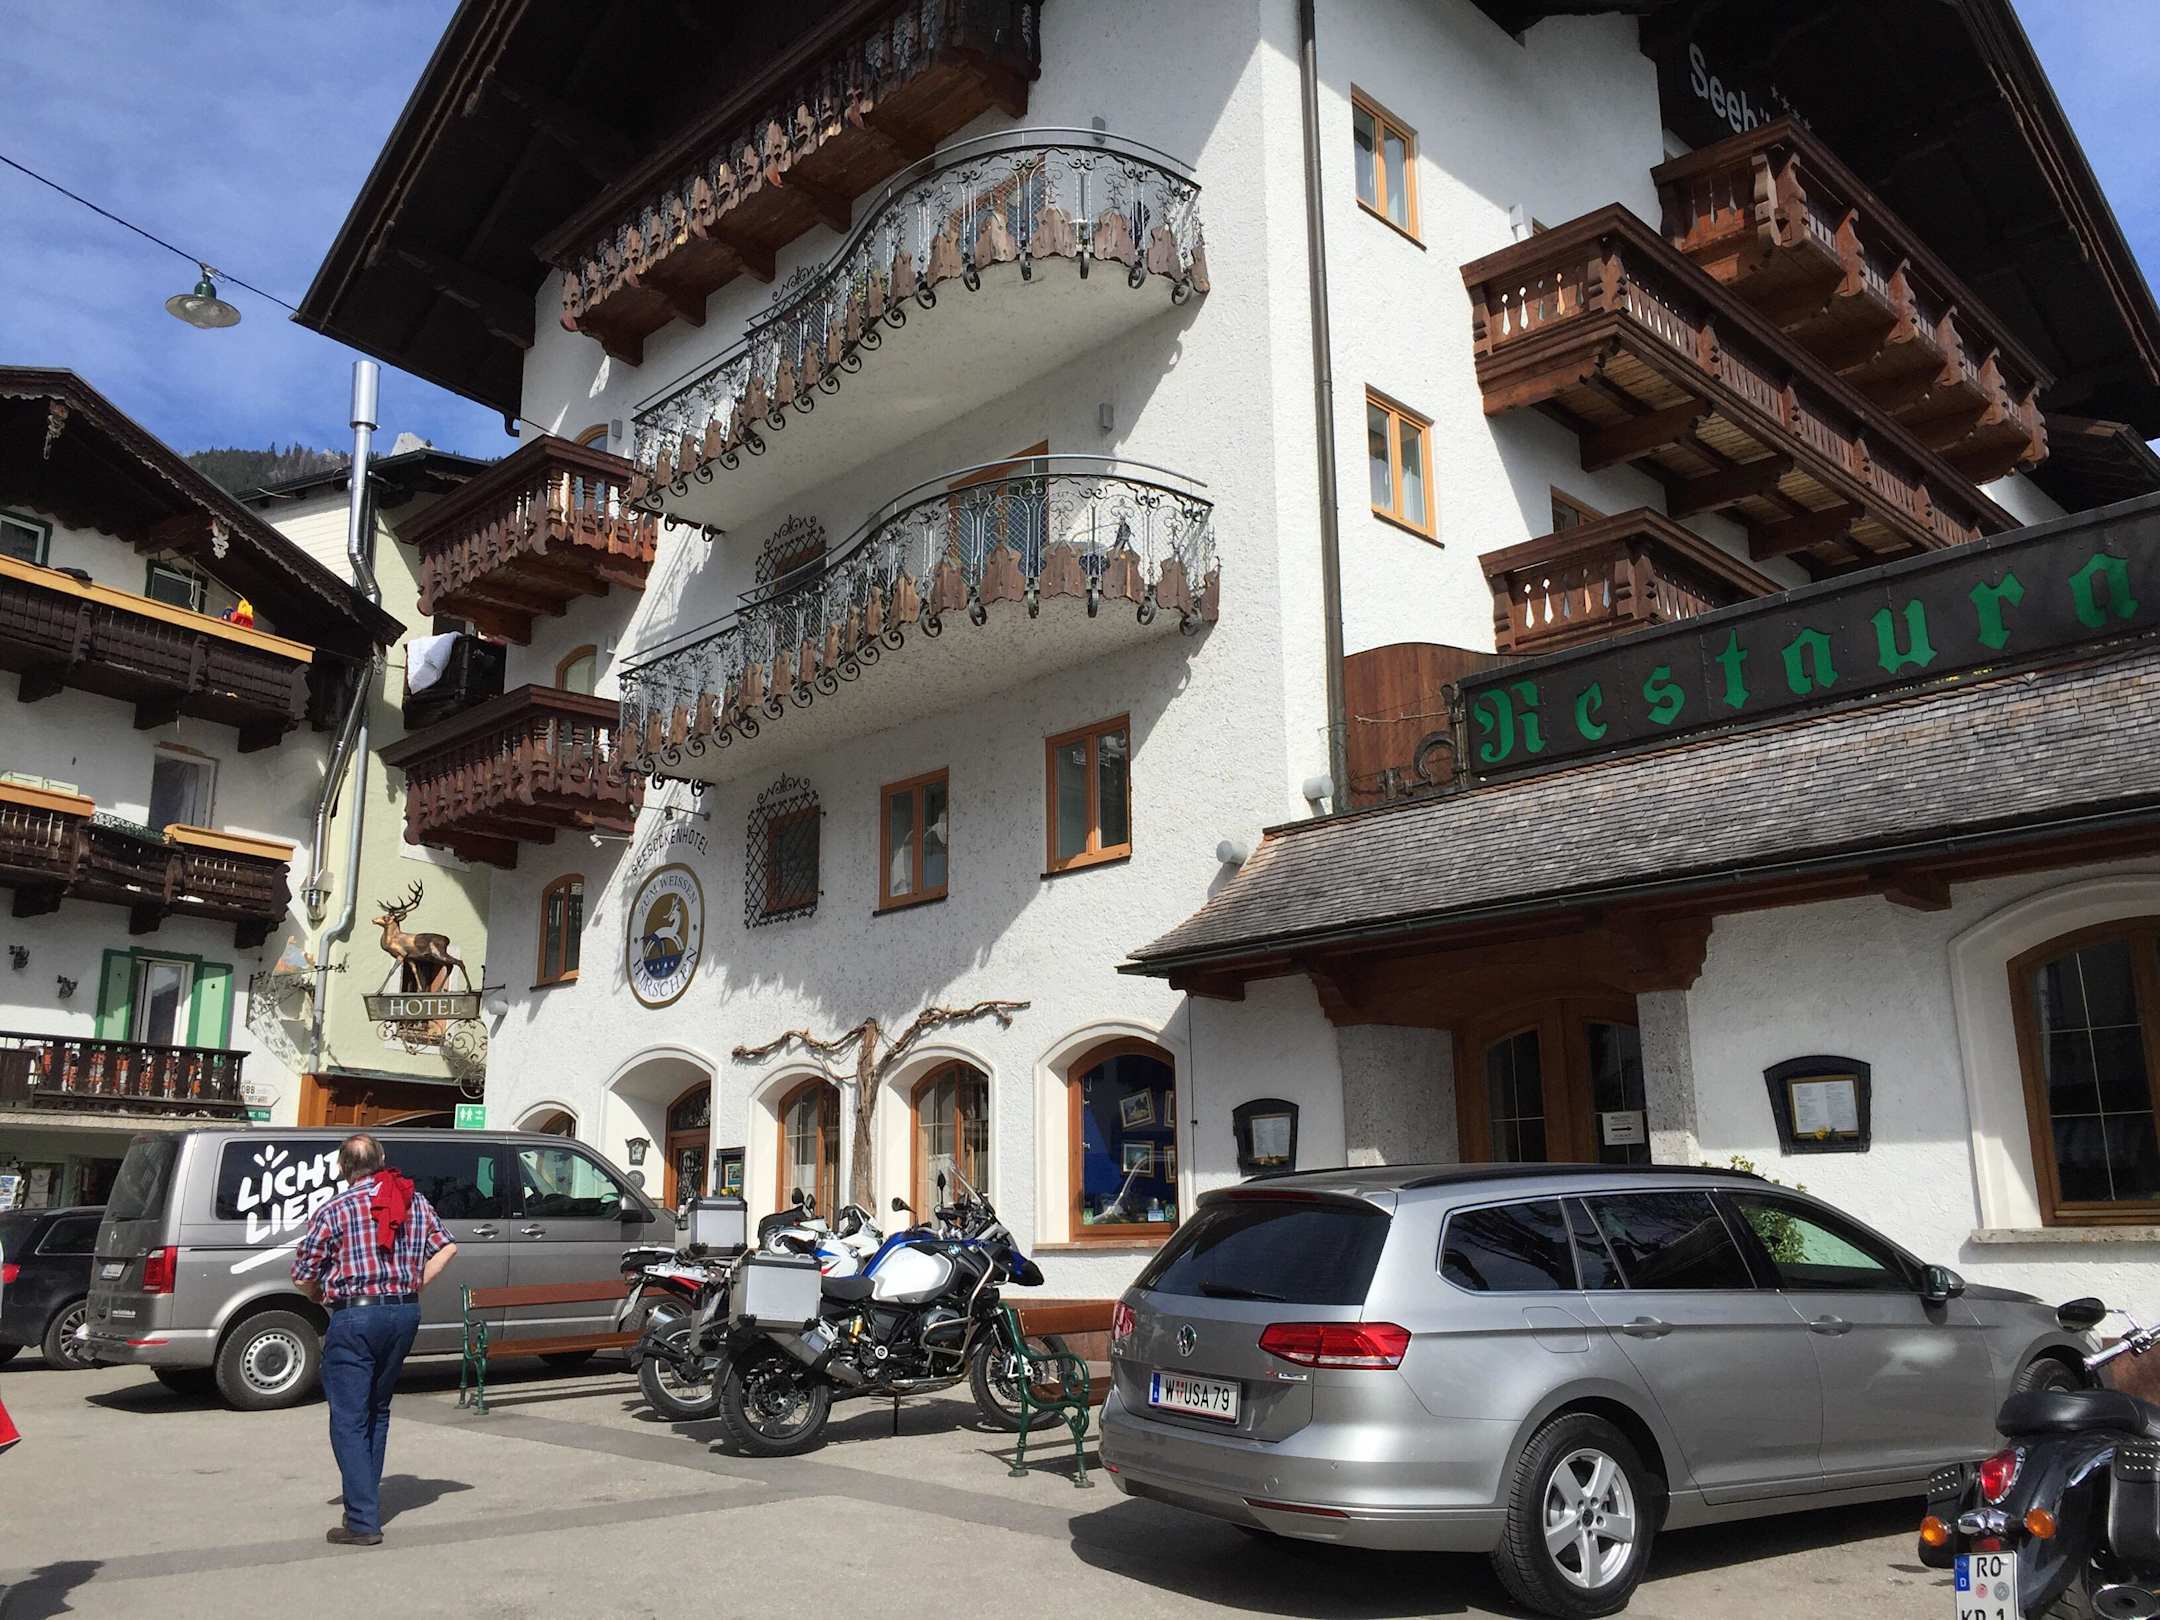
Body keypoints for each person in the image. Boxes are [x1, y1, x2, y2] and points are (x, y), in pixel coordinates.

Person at [291, 1133, 457, 1547]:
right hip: (404, 1313)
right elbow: (447, 1249)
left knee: (349, 1417)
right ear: (382, 1159)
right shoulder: (413, 1202)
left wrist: (319, 1294)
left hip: (356, 1316)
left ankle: (363, 1520)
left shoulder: (334, 1209)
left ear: (343, 1167)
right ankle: (365, 1501)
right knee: (377, 1409)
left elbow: (303, 1274)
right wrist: (414, 1283)